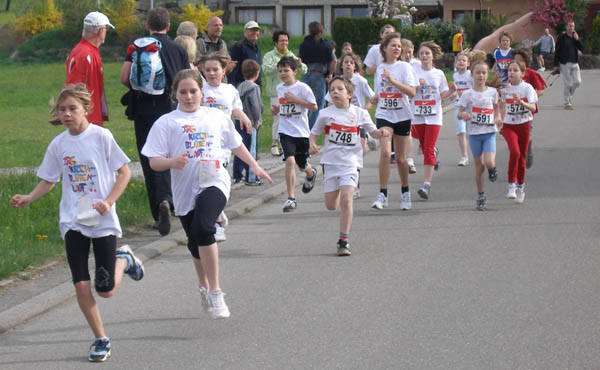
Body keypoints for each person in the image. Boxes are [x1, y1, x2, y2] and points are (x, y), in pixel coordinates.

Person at [11, 84, 144, 362]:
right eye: (62, 110)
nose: (67, 114)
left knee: (105, 289)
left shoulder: (101, 137)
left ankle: (124, 260)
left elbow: (124, 173)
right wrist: (28, 197)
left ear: (86, 109)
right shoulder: (59, 144)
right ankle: (100, 338)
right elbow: (49, 180)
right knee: (81, 284)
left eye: (72, 108)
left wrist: (108, 202)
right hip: (73, 220)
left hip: (102, 219)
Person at [141, 69, 273, 320]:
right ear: (175, 94)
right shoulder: (167, 122)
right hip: (184, 188)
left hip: (215, 180)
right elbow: (153, 162)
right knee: (194, 240)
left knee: (204, 228)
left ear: (202, 92)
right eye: (183, 92)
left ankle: (216, 291)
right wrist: (171, 162)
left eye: (193, 91)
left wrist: (254, 165)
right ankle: (203, 284)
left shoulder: (215, 116)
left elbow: (235, 144)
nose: (189, 96)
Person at [120, 7, 189, 236]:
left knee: (150, 157)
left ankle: (158, 207)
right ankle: (172, 201)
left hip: (143, 111)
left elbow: (124, 77)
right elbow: (187, 79)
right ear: (168, 26)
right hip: (170, 110)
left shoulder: (137, 47)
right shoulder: (178, 49)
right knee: (172, 156)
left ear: (147, 26)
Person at [309, 77, 388, 256]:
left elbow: (372, 132)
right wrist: (312, 144)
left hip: (351, 163)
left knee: (347, 198)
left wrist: (380, 133)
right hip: (330, 162)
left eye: (340, 89)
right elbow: (314, 133)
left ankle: (343, 240)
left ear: (350, 94)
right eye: (332, 89)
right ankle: (334, 194)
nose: (335, 92)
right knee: (331, 205)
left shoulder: (360, 113)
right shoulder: (325, 114)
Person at [369, 32, 418, 210]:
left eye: (399, 46)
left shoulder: (405, 68)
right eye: (393, 45)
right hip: (384, 114)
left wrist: (393, 81)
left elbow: (412, 92)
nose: (397, 48)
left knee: (401, 159)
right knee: (384, 152)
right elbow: (379, 90)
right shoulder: (380, 68)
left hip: (403, 115)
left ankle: (405, 192)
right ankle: (383, 194)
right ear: (384, 48)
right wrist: (374, 98)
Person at [272, 56, 318, 212]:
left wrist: (296, 99)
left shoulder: (303, 88)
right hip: (285, 131)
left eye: (286, 70)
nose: (283, 74)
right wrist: (277, 109)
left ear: (295, 72)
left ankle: (311, 174)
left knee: (301, 165)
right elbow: (284, 105)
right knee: (290, 161)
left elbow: (314, 106)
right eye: (280, 71)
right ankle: (291, 198)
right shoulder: (279, 88)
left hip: (301, 132)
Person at [326, 51, 375, 199]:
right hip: (340, 122)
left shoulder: (361, 81)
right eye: (346, 62)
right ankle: (344, 181)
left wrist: (366, 107)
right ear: (341, 65)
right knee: (343, 153)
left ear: (355, 66)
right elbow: (329, 100)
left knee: (358, 152)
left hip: (357, 121)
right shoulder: (337, 82)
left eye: (351, 62)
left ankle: (355, 183)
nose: (348, 65)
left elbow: (373, 98)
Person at [412, 41, 457, 200]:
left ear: (433, 56)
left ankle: (426, 185)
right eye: (421, 53)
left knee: (428, 148)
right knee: (424, 146)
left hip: (433, 116)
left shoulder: (438, 74)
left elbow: (442, 94)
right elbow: (408, 91)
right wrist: (417, 86)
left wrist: (450, 92)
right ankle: (432, 154)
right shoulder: (413, 70)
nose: (424, 56)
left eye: (427, 53)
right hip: (417, 115)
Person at [457, 60, 502, 210]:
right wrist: (464, 115)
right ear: (472, 75)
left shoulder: (492, 92)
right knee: (479, 167)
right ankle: (481, 195)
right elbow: (459, 113)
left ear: (487, 75)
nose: (481, 76)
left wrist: (498, 117)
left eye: (483, 73)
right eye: (478, 73)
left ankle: (492, 169)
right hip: (474, 134)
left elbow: (496, 107)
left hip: (489, 132)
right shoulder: (467, 94)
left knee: (488, 162)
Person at [262, 30, 307, 156]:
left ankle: (285, 143)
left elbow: (304, 70)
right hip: (276, 92)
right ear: (276, 42)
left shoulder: (290, 55)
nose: (284, 43)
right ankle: (274, 144)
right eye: (282, 41)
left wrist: (299, 64)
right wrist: (280, 64)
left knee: (288, 117)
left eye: (286, 40)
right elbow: (266, 70)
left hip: (291, 92)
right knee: (278, 117)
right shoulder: (269, 56)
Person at [64, 12, 114, 127]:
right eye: (106, 29)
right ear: (101, 31)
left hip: (89, 119)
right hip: (86, 121)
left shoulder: (87, 51)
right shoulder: (85, 54)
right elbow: (74, 89)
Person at [500, 60, 538, 203]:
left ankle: (521, 187)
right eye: (510, 70)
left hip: (523, 125)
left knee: (522, 157)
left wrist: (522, 103)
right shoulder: (505, 89)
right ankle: (511, 186)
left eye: (515, 70)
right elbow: (501, 106)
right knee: (514, 152)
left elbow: (533, 108)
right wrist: (499, 120)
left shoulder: (527, 88)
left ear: (522, 74)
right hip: (509, 126)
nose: (512, 73)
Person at [511, 47, 547, 169]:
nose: (517, 63)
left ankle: (528, 148)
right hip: (513, 110)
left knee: (526, 135)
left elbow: (540, 90)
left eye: (520, 60)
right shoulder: (512, 73)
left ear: (526, 61)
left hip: (527, 110)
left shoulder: (531, 73)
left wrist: (529, 98)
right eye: (515, 60)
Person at [298, 21, 335, 129]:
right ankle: (310, 129)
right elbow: (334, 61)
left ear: (309, 31)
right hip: (319, 76)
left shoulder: (303, 44)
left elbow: (299, 59)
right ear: (321, 31)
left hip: (305, 76)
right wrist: (330, 74)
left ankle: (302, 128)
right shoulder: (326, 45)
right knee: (317, 106)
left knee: (304, 105)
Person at [235, 59, 263, 186]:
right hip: (250, 122)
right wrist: (257, 121)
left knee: (239, 147)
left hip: (238, 120)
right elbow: (256, 106)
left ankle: (237, 174)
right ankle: (251, 177)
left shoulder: (239, 87)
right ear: (257, 73)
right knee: (251, 149)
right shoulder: (254, 88)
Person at [400, 38, 420, 175]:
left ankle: (411, 157)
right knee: (409, 133)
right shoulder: (397, 65)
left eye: (410, 52)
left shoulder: (415, 65)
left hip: (415, 103)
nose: (408, 55)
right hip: (401, 104)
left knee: (416, 133)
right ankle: (408, 160)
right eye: (405, 53)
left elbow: (416, 85)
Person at [554, 20, 583, 110]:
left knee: (577, 82)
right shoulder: (561, 38)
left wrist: (577, 40)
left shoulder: (575, 37)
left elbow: (582, 48)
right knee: (568, 84)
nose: (572, 28)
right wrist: (556, 65)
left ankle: (569, 95)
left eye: (573, 26)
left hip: (575, 63)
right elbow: (557, 51)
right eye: (570, 26)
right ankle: (567, 103)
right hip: (564, 63)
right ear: (566, 27)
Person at [453, 52, 473, 166]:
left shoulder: (470, 75)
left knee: (471, 133)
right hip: (458, 106)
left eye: (464, 60)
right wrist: (454, 94)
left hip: (470, 107)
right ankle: (464, 156)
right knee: (461, 131)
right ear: (456, 63)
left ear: (468, 64)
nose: (461, 62)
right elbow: (455, 91)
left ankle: (477, 154)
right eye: (459, 60)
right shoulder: (455, 75)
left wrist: (465, 94)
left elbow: (475, 89)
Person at [228, 20, 261, 87]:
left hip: (255, 86)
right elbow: (233, 69)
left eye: (256, 30)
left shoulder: (256, 48)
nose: (255, 32)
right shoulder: (239, 47)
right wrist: (234, 86)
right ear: (245, 32)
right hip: (242, 86)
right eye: (252, 30)